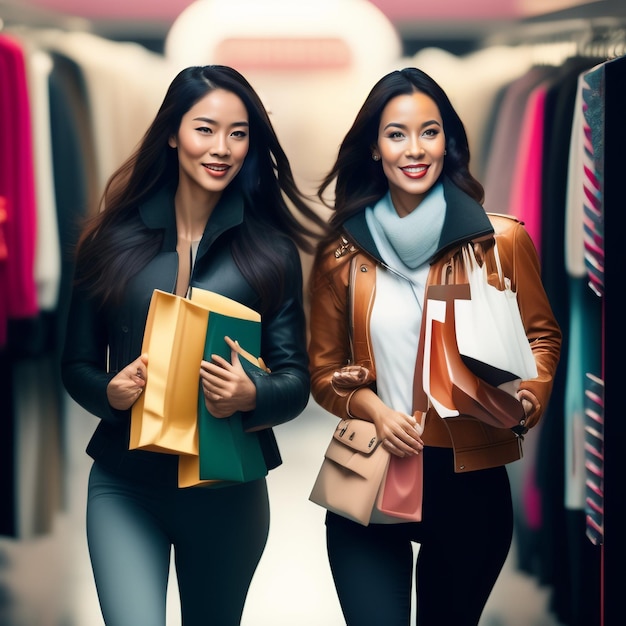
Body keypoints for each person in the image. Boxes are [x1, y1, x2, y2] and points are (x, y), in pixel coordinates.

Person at [61, 65, 327, 626]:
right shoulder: (110, 240)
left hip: (227, 492)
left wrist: (249, 394)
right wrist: (109, 392)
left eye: (238, 133)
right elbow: (76, 364)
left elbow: (296, 382)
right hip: (124, 486)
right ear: (173, 133)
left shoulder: (269, 251)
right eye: (205, 129)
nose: (222, 148)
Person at [307, 67, 562, 626]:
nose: (415, 149)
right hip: (370, 470)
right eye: (396, 134)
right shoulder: (342, 254)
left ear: (449, 141)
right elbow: (321, 373)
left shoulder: (501, 241)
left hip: (469, 478)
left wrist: (528, 399)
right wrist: (372, 408)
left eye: (430, 131)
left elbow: (542, 335)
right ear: (373, 148)